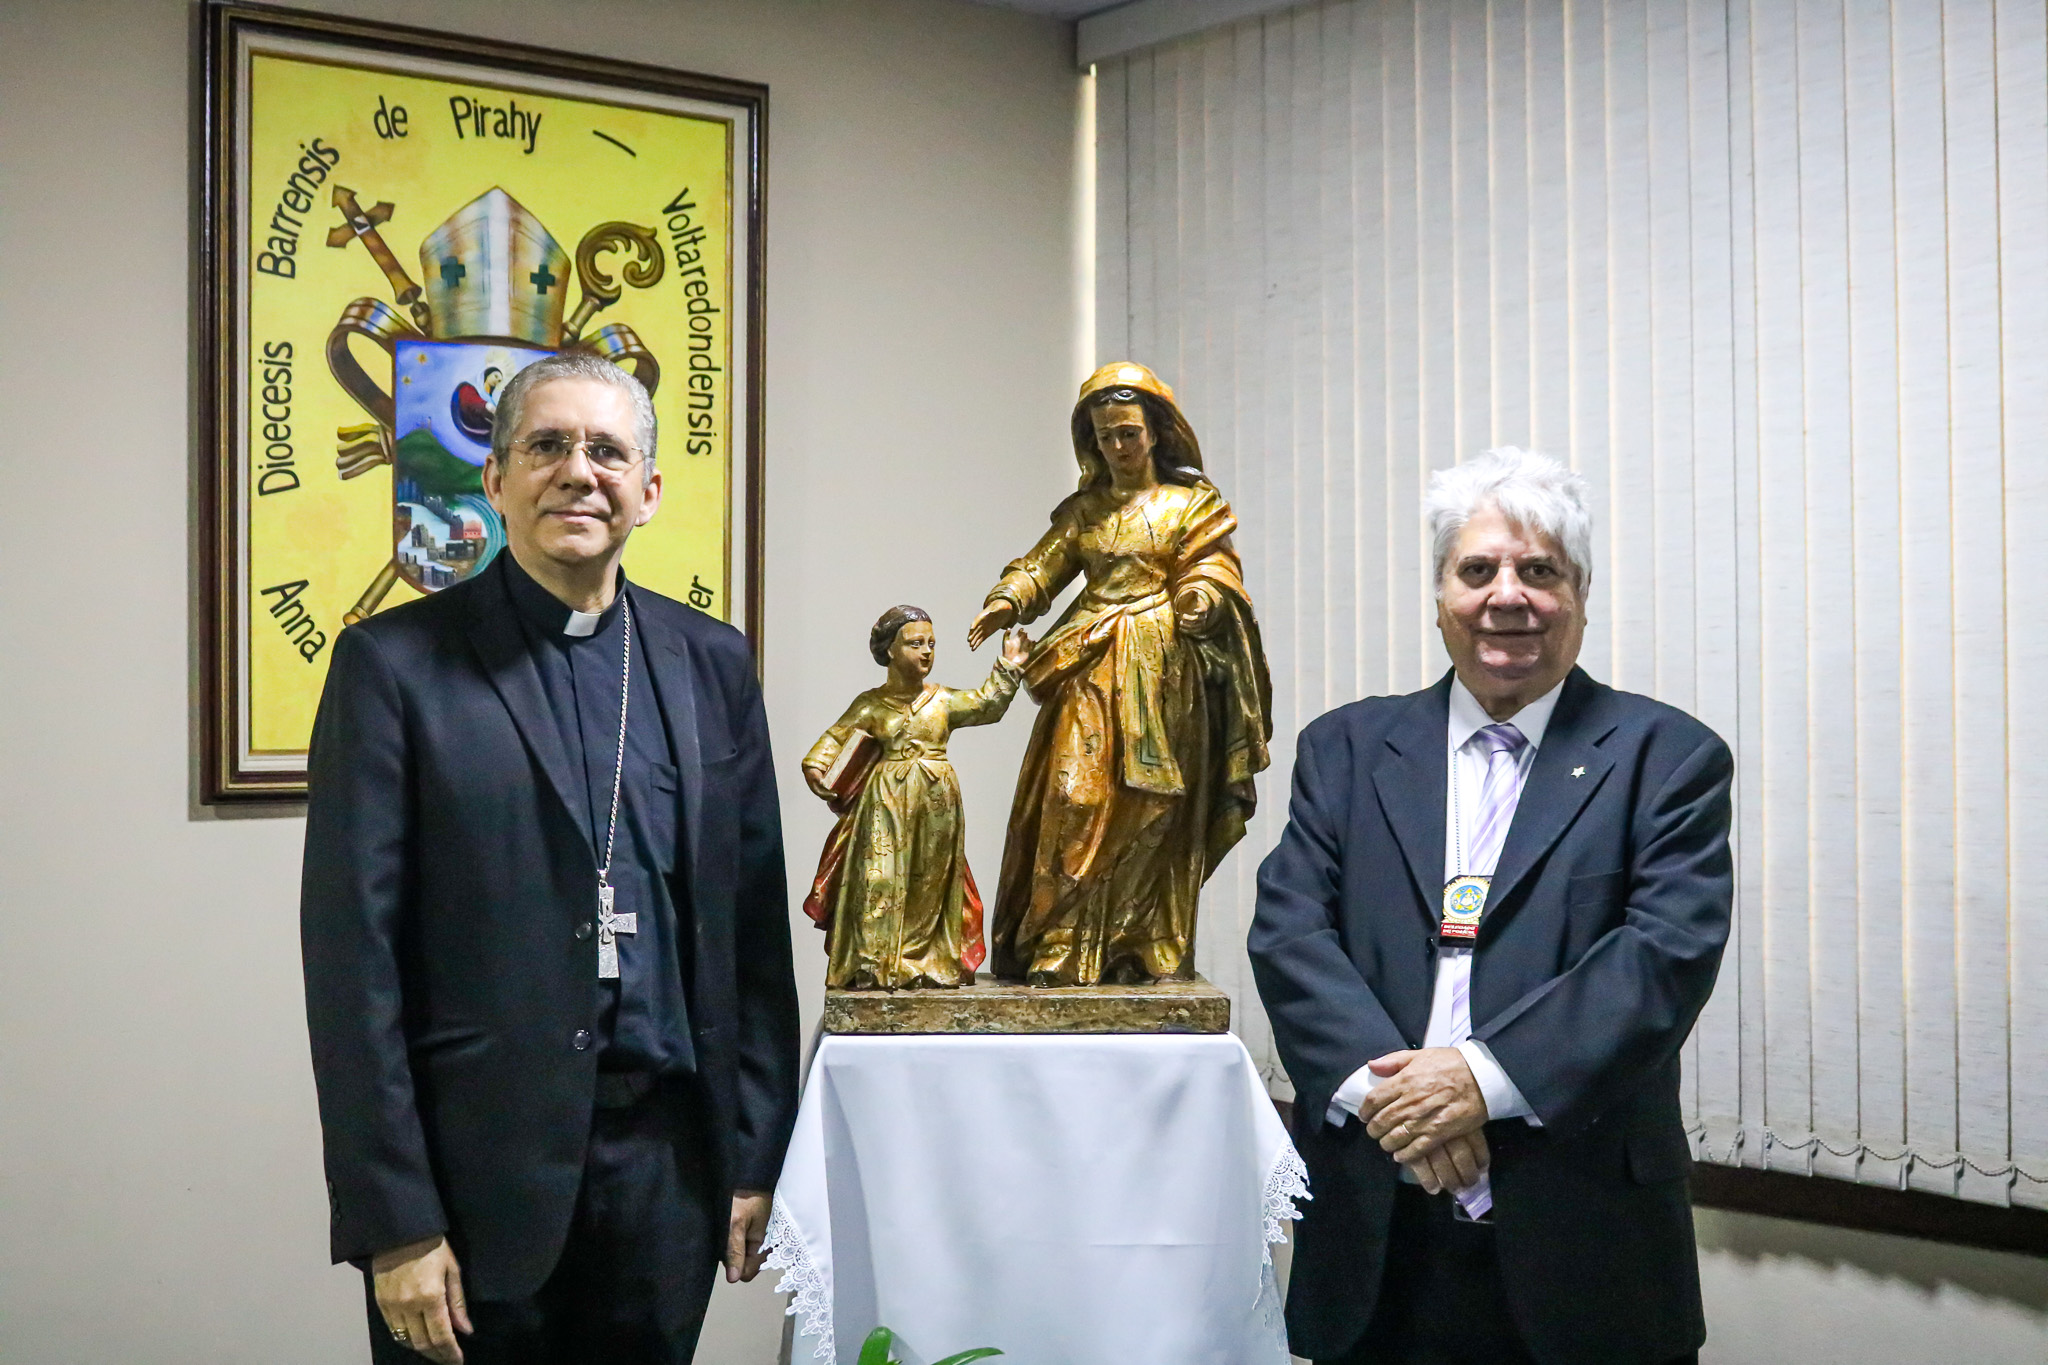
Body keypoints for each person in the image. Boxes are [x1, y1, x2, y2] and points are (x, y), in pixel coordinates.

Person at [301, 352, 799, 1364]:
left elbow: (752, 931)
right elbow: (353, 966)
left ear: (648, 492)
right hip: (472, 1189)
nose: (580, 472)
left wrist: (752, 1160)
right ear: (494, 478)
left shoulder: (711, 662)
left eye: (607, 451)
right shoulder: (393, 667)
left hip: (665, 1182)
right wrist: (395, 1220)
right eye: (547, 446)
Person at [1249, 447, 1732, 1365]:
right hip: (1377, 1232)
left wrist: (1478, 1078)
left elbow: (1662, 957)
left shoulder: (1668, 757)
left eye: (1539, 571)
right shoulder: (1346, 749)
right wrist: (1400, 1104)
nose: (1507, 596)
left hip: (1584, 1244)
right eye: (1478, 570)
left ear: (1580, 593)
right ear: (1441, 592)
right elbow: (1289, 932)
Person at [967, 362, 1272, 986]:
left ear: (1155, 431)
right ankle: (1060, 938)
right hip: (1089, 663)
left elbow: (1215, 569)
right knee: (1073, 796)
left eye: (1128, 432)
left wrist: (1203, 596)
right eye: (1105, 436)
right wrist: (1008, 599)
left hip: (1162, 670)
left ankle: (1141, 940)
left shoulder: (1191, 504)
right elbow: (1042, 567)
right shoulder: (1087, 510)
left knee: (1155, 807)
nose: (1118, 446)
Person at [798, 605, 1031, 989]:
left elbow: (987, 705)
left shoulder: (942, 701)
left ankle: (925, 960)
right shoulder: (871, 703)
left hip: (936, 799)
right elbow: (835, 738)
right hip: (886, 799)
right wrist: (816, 768)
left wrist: (1009, 666)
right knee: (880, 877)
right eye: (915, 643)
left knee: (930, 880)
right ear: (890, 649)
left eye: (931, 644)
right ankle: (874, 963)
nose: (926, 652)